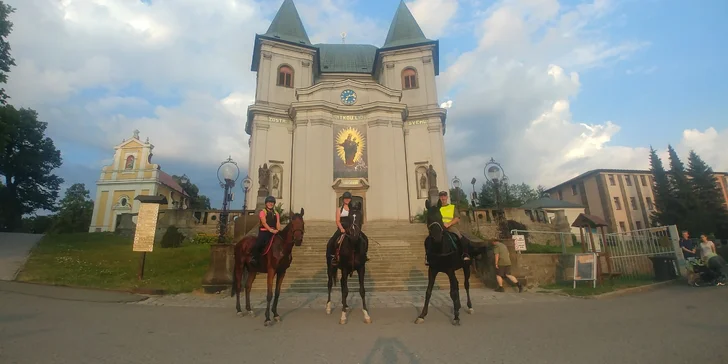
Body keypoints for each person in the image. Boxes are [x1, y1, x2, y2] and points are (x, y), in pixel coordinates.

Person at [425, 191, 470, 265]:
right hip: (440, 227)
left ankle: (465, 254)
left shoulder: (452, 207)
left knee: (460, 237)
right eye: (441, 196)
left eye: (444, 196)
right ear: (439, 198)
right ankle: (428, 256)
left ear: (447, 197)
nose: (443, 198)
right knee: (429, 239)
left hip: (451, 227)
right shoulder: (437, 208)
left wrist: (449, 224)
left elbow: (457, 218)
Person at [328, 192, 369, 266]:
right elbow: (337, 220)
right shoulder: (339, 209)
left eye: (348, 198)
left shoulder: (352, 209)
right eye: (345, 198)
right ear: (343, 199)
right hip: (342, 227)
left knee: (364, 238)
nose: (347, 200)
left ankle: (364, 255)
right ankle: (333, 256)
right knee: (333, 240)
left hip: (352, 227)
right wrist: (341, 229)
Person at [250, 196, 280, 267]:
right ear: (266, 203)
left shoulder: (276, 213)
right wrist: (270, 230)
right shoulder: (263, 212)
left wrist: (278, 230)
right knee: (259, 243)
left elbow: (278, 223)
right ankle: (254, 258)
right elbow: (264, 223)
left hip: (273, 231)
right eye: (269, 202)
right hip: (264, 231)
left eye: (272, 202)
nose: (270, 204)